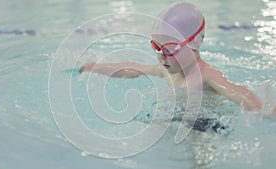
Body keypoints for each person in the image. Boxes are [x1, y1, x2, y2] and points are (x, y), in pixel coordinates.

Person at [78, 2, 262, 111]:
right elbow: (133, 69)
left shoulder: (205, 74)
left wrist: (263, 109)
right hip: (177, 118)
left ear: (193, 44)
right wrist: (95, 67)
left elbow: (233, 90)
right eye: (156, 47)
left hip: (205, 126)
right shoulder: (168, 70)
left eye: (168, 50)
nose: (161, 56)